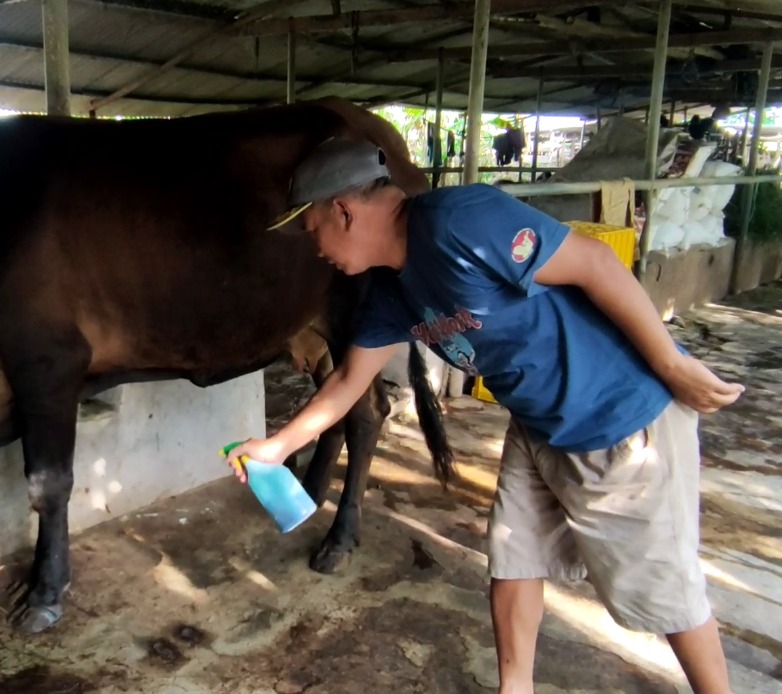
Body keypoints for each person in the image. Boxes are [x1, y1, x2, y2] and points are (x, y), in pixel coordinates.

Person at [225, 137, 744, 694]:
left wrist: (669, 362)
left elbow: (593, 262)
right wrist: (278, 446)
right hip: (538, 422)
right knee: (516, 556)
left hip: (616, 415)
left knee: (662, 592)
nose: (315, 248)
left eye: (312, 231)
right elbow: (350, 381)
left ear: (344, 212)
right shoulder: (388, 290)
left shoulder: (460, 221)